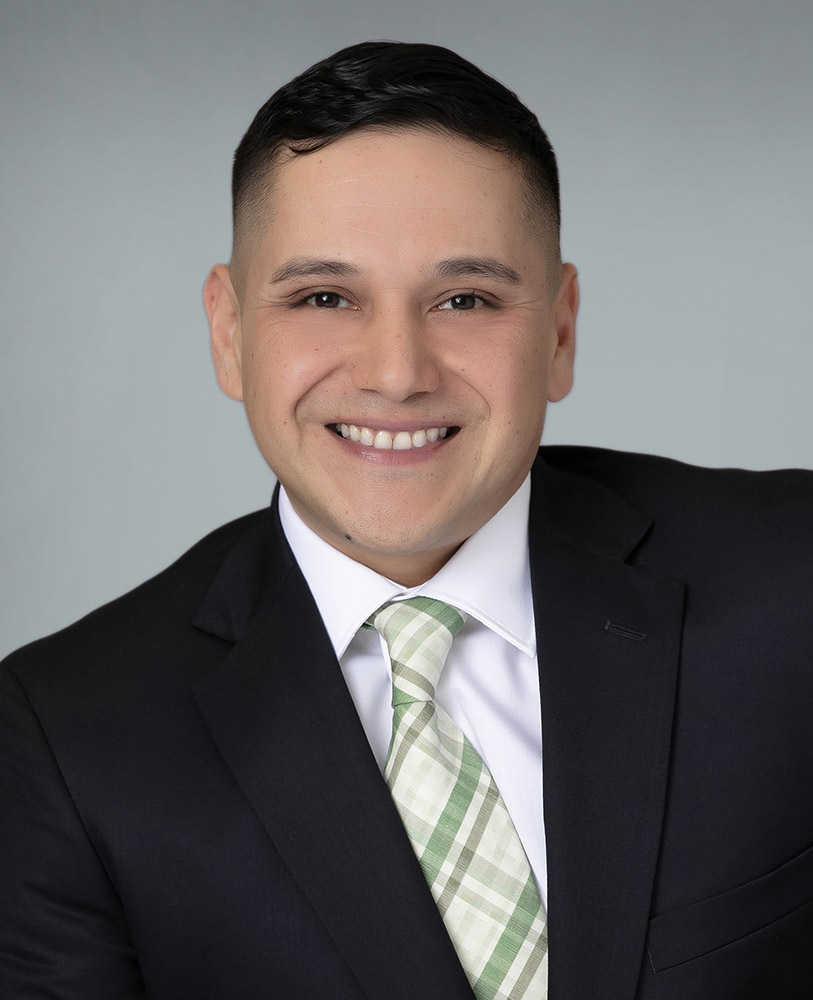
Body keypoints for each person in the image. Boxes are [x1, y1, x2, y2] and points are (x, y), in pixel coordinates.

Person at [1, 40, 811, 1000]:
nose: (396, 373)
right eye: (323, 297)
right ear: (229, 332)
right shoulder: (65, 739)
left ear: (558, 331)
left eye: (465, 298)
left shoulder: (790, 580)